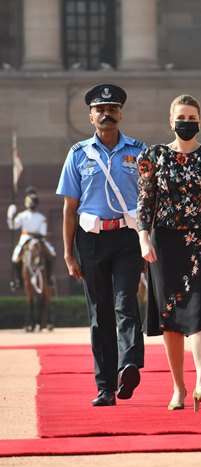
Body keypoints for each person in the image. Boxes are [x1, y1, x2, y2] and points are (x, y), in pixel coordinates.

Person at [136, 94, 201, 411]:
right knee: (170, 317)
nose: (187, 122)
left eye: (193, 118)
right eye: (181, 117)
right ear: (171, 121)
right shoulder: (153, 157)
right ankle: (178, 388)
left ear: (200, 121)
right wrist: (143, 239)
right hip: (165, 243)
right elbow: (145, 203)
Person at [56, 83, 146, 407]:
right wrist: (68, 253)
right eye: (100, 110)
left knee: (126, 302)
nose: (107, 114)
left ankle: (129, 365)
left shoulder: (139, 151)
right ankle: (105, 386)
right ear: (91, 116)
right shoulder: (78, 154)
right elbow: (69, 207)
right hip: (90, 239)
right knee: (100, 312)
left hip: (127, 237)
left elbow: (150, 201)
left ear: (121, 114)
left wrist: (147, 240)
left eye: (112, 109)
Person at [7, 188, 56, 290]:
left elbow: (42, 232)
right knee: (15, 257)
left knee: (52, 253)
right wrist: (10, 216)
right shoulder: (22, 216)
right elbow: (13, 226)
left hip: (39, 239)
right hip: (25, 238)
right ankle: (19, 281)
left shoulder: (41, 217)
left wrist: (39, 236)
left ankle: (49, 278)